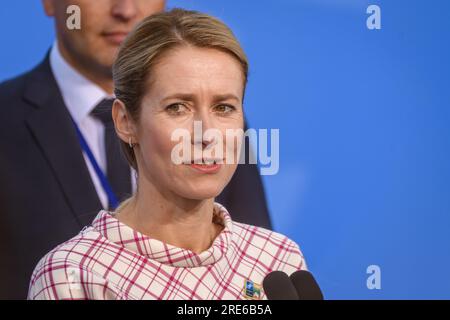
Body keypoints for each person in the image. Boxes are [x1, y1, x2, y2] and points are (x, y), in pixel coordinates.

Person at [27, 8, 306, 300]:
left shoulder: (277, 260)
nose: (206, 134)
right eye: (177, 107)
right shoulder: (74, 275)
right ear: (125, 121)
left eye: (223, 107)